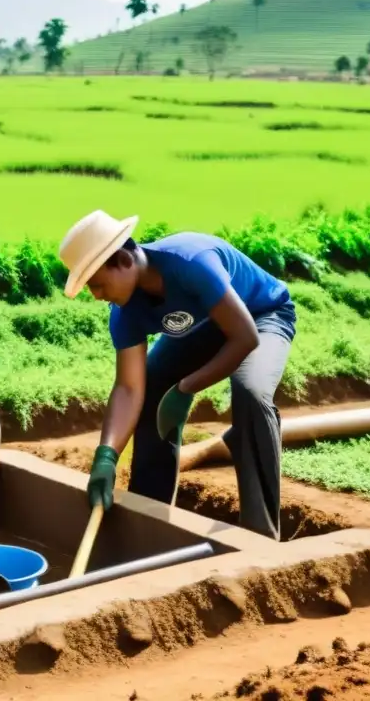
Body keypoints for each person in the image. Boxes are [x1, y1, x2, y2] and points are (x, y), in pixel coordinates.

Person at [58, 210, 296, 541]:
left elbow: (244, 338)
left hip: (260, 316)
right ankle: (150, 511)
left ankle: (260, 532)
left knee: (251, 391)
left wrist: (186, 388)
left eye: (97, 284)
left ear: (124, 260)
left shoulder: (190, 262)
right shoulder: (125, 313)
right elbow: (129, 387)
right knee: (152, 386)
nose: (97, 296)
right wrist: (106, 456)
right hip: (203, 326)